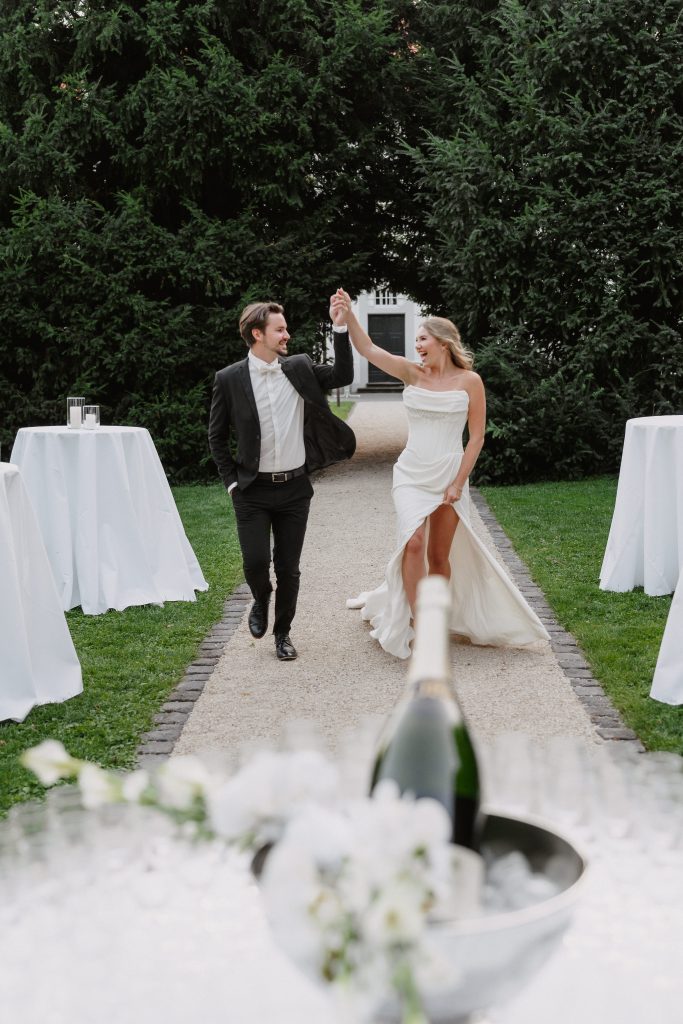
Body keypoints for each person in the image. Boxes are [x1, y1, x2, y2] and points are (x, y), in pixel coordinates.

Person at [332, 288, 549, 659]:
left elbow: (476, 437)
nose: (417, 345)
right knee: (412, 543)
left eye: (423, 338)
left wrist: (457, 482)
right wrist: (348, 315)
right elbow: (368, 349)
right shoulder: (410, 373)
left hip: (449, 472)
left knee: (439, 554)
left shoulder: (470, 382)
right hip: (412, 472)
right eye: (415, 339)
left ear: (444, 342)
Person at [209, 298, 355, 661]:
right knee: (256, 564)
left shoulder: (300, 367)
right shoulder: (228, 379)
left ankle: (283, 633)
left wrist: (340, 326)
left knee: (289, 568)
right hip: (252, 491)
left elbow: (342, 376)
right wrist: (231, 481)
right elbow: (216, 436)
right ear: (257, 334)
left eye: (285, 328)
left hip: (294, 490)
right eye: (279, 329)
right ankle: (261, 597)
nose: (287, 334)